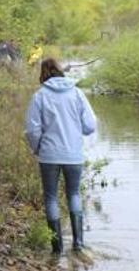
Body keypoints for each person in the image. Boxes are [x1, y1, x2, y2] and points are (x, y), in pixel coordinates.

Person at [24, 58, 97, 254]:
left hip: (49, 155)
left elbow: (32, 130)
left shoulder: (40, 96)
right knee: (74, 194)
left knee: (51, 198)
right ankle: (79, 244)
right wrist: (74, 130)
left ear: (43, 74)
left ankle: (57, 248)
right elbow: (90, 125)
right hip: (74, 154)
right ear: (60, 71)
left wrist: (37, 148)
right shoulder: (77, 93)